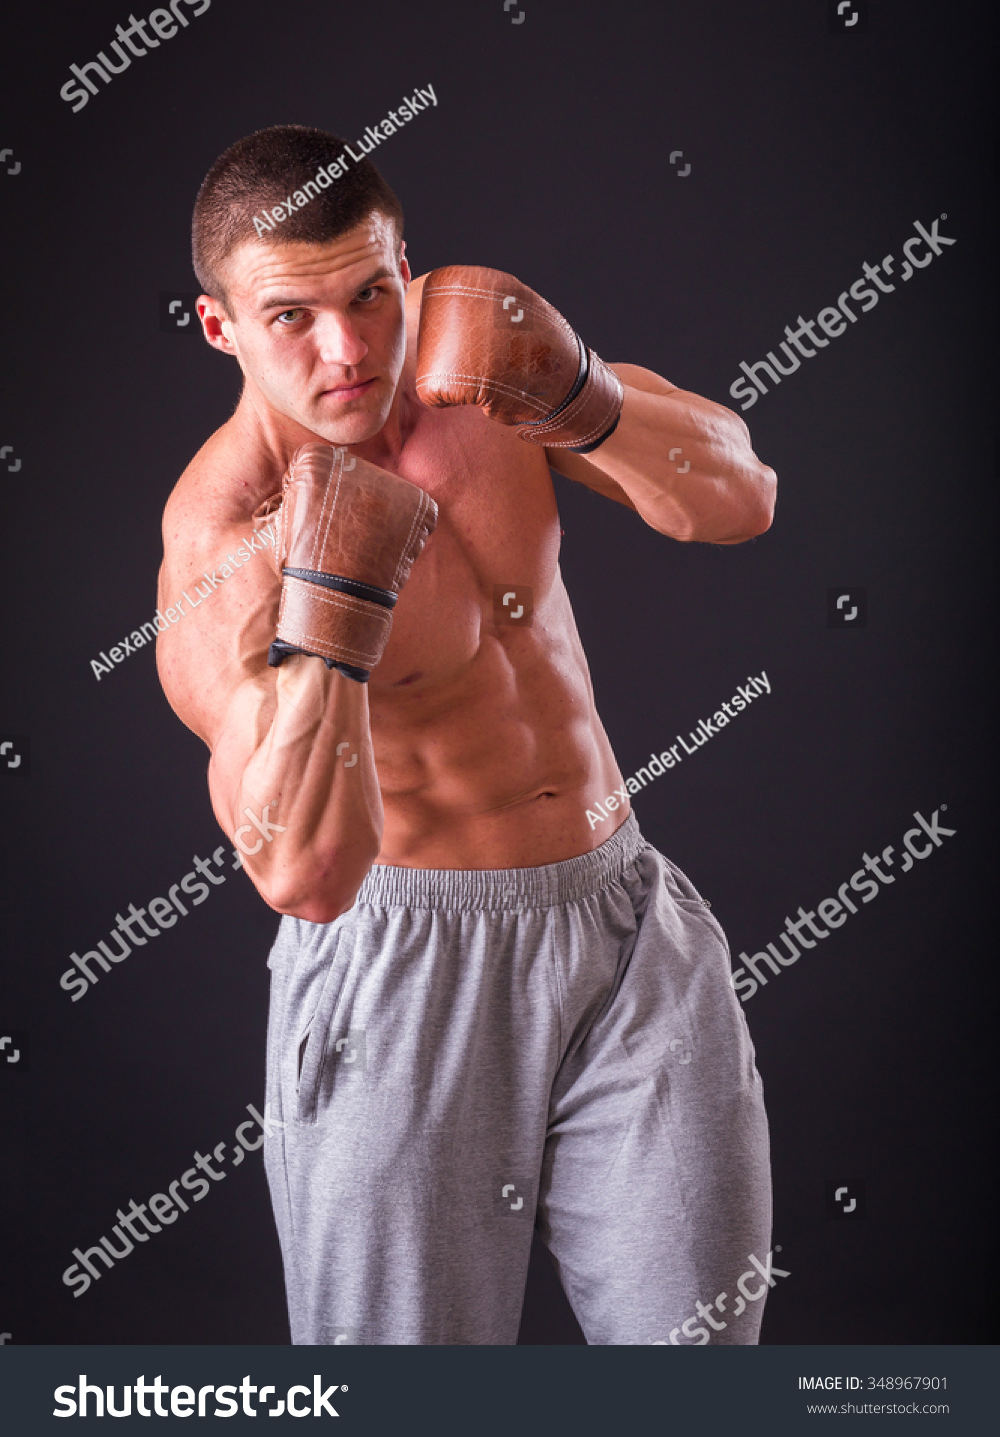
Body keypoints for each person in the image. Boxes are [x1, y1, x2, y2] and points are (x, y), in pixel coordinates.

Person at [156, 124, 777, 1347]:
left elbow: (741, 494)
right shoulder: (222, 550)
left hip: (623, 922)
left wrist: (581, 393)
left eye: (370, 293)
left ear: (403, 266)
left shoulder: (469, 361)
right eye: (291, 317)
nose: (349, 349)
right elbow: (302, 873)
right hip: (401, 975)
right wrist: (327, 623)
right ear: (220, 327)